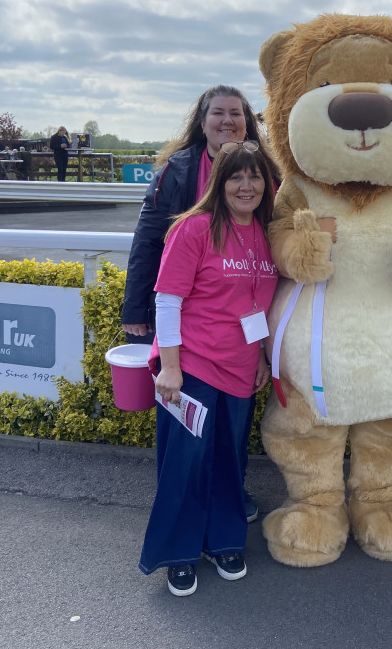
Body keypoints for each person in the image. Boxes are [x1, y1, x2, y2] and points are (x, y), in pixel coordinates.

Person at [138, 140, 279, 596]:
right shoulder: (194, 229)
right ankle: (179, 552)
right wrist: (171, 368)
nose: (246, 185)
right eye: (236, 176)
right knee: (187, 460)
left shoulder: (263, 233)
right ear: (219, 181)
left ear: (265, 184)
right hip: (193, 364)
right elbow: (167, 300)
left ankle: (224, 540)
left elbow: (256, 302)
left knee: (229, 459)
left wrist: (259, 355)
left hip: (240, 366)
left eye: (254, 176)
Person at [122, 85, 265, 523]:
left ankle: (228, 498)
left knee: (230, 430)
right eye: (218, 114)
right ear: (201, 123)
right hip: (188, 327)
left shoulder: (265, 169)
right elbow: (149, 238)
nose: (228, 121)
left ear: (248, 121)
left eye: (236, 114)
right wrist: (136, 310)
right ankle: (183, 510)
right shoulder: (179, 170)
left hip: (242, 332)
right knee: (187, 428)